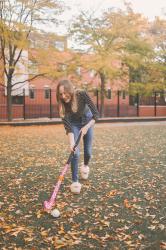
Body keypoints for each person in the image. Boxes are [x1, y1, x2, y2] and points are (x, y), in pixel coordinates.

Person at [56, 79, 99, 194]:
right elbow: (68, 128)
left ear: (71, 90)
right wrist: (71, 143)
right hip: (74, 124)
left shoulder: (81, 94)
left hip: (88, 121)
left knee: (88, 152)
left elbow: (96, 114)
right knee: (75, 152)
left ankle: (85, 166)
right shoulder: (62, 107)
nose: (63, 96)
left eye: (65, 93)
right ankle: (75, 181)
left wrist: (86, 127)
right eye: (60, 94)